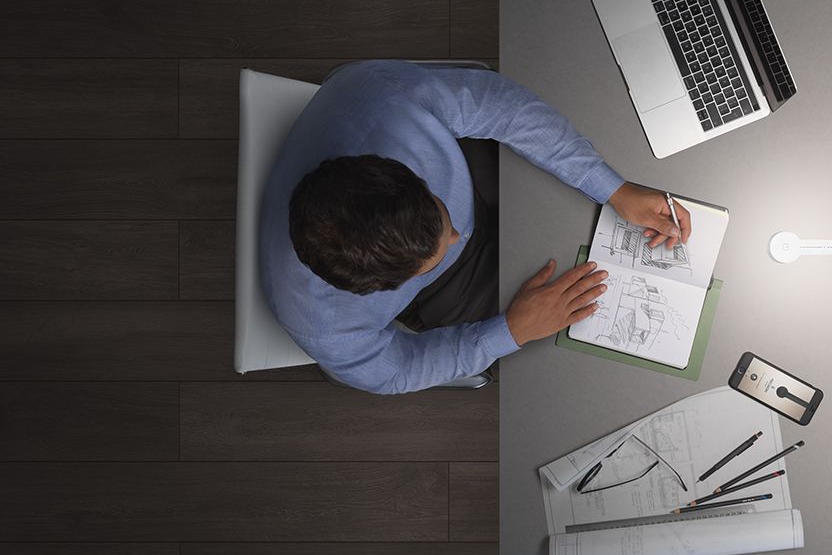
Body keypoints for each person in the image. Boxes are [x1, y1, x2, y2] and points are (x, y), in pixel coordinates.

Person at [259, 60, 690, 394]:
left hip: (467, 167)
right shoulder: (327, 328)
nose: (455, 236)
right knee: (568, 344)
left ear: (396, 171)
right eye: (432, 256)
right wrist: (510, 331)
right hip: (451, 288)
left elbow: (506, 109)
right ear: (380, 287)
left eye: (440, 215)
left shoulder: (382, 97)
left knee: (576, 204)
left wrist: (612, 188)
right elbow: (397, 370)